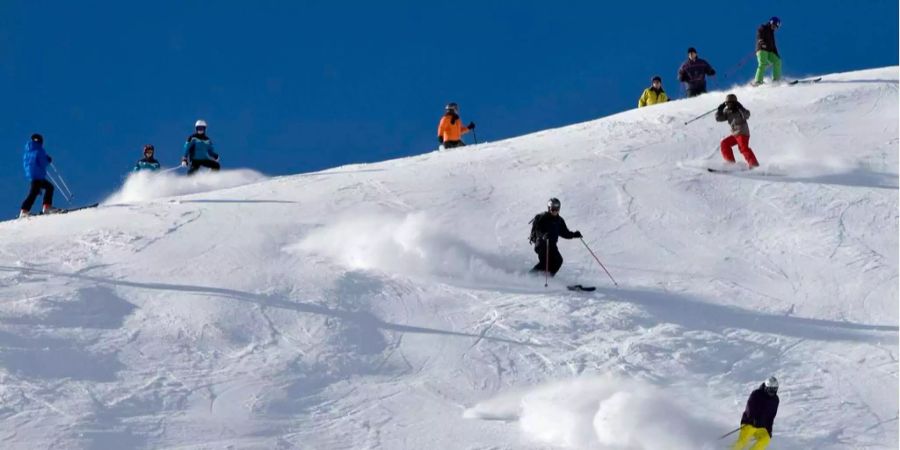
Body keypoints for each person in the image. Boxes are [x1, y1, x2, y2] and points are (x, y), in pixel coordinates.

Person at [528, 198, 582, 276]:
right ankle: (530, 276)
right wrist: (543, 235)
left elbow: (564, 233)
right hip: (542, 244)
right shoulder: (542, 217)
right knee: (545, 263)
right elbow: (537, 230)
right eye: (552, 209)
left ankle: (548, 278)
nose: (554, 211)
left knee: (558, 261)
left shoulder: (559, 220)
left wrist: (574, 235)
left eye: (556, 209)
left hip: (552, 245)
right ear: (549, 208)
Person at [732, 376, 780, 450]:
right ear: (766, 387)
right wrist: (752, 418)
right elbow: (749, 407)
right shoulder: (757, 394)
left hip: (761, 426)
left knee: (765, 439)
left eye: (774, 389)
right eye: (771, 389)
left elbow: (771, 417)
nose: (772, 392)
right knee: (743, 441)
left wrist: (769, 430)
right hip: (749, 423)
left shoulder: (775, 400)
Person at [19, 133, 61, 218]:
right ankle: (26, 210)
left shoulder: (27, 153)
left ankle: (42, 207)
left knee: (43, 189)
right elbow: (42, 163)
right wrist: (48, 160)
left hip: (33, 176)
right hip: (38, 176)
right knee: (35, 192)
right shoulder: (39, 150)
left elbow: (28, 165)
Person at [715, 94, 759, 168]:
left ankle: (754, 164)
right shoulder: (727, 111)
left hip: (742, 132)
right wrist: (719, 110)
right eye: (727, 103)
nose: (728, 105)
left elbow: (746, 115)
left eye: (730, 103)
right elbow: (718, 119)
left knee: (743, 148)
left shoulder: (739, 110)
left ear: (734, 103)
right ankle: (731, 164)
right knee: (724, 143)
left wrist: (740, 107)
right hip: (735, 134)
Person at [753, 17, 783, 86]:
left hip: (769, 51)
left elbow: (773, 45)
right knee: (763, 63)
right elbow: (759, 35)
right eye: (774, 26)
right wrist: (761, 42)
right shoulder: (763, 27)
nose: (774, 28)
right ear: (771, 23)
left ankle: (776, 80)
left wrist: (776, 54)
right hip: (762, 49)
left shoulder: (772, 33)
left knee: (777, 61)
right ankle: (758, 81)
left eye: (776, 27)